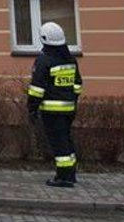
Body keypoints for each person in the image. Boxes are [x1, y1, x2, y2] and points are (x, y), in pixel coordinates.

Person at [28, 22, 82, 188]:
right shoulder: (70, 59)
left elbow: (37, 88)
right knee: (66, 141)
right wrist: (72, 99)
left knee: (59, 145)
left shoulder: (44, 60)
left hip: (52, 111)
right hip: (69, 109)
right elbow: (78, 84)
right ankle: (71, 173)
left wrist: (32, 108)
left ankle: (63, 177)